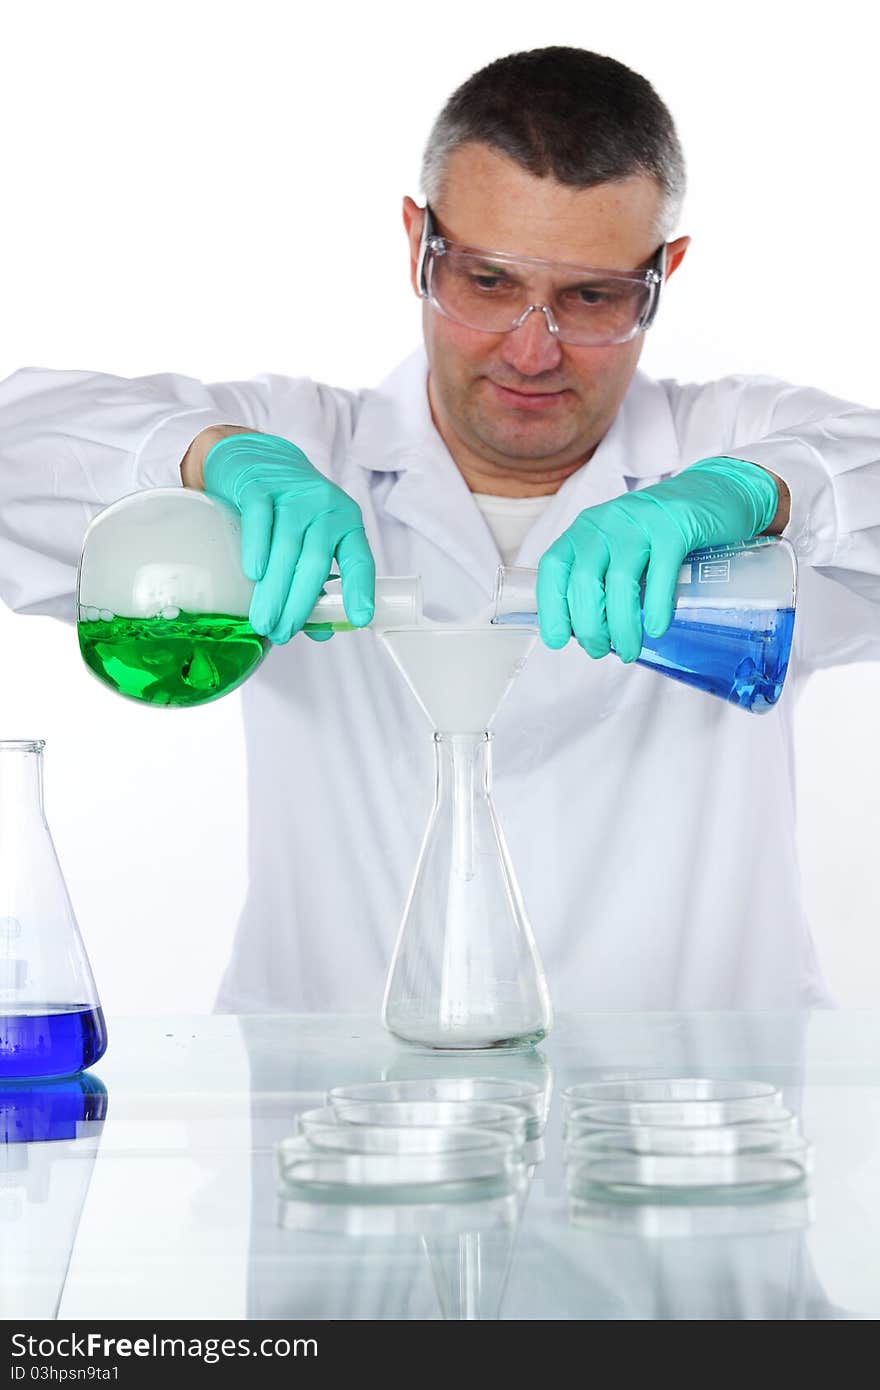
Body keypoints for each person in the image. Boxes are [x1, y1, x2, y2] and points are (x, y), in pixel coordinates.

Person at [0, 47, 878, 1013]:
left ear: (662, 275)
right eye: (489, 281)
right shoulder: (301, 451)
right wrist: (204, 456)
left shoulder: (731, 451)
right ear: (418, 242)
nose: (533, 349)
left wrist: (763, 491)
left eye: (592, 297)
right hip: (342, 1132)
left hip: (696, 1135)